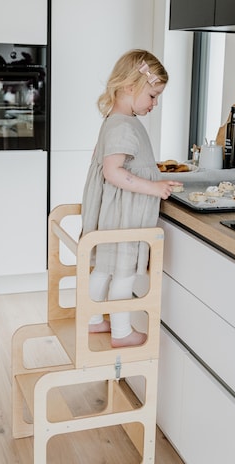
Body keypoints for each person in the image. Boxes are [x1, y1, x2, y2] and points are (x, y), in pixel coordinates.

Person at [81, 49, 182, 348]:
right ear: (129, 87)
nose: (155, 103)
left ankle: (93, 319)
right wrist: (155, 187)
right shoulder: (123, 125)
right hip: (123, 217)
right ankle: (122, 332)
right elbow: (113, 172)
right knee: (123, 272)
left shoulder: (115, 121)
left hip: (113, 215)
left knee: (103, 268)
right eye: (153, 95)